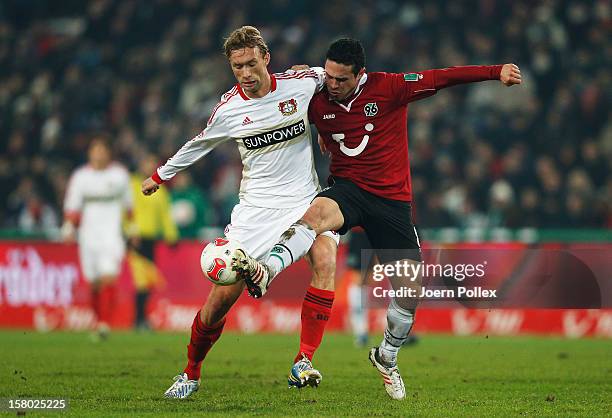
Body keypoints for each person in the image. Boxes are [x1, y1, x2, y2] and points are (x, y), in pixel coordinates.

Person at [232, 38, 521, 400]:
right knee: (316, 215)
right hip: (348, 190)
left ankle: (387, 356)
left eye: (341, 80)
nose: (332, 85)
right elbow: (282, 99)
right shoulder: (316, 95)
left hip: (391, 202)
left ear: (360, 75)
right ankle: (267, 271)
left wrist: (495, 73)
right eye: (330, 76)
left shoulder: (390, 87)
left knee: (410, 291)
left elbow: (442, 77)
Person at [140, 26, 340, 398]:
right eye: (237, 68)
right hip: (256, 211)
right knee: (219, 302)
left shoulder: (300, 82)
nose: (246, 74)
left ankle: (303, 361)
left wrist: (327, 129)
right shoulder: (229, 109)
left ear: (266, 58)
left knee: (326, 260)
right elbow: (199, 144)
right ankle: (190, 372)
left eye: (251, 64)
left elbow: (329, 83)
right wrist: (160, 175)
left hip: (304, 200)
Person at [62, 136, 134, 341]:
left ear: (108, 153)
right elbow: (72, 206)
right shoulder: (81, 177)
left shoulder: (119, 175)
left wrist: (133, 229)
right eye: (95, 150)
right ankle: (98, 321)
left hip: (112, 232)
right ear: (90, 153)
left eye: (102, 150)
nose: (99, 154)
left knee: (108, 276)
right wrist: (68, 228)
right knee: (93, 282)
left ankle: (104, 324)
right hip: (88, 234)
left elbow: (128, 205)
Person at [129, 153, 178, 330]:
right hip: (136, 239)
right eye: (146, 162)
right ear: (140, 164)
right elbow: (126, 211)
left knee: (148, 282)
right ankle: (138, 319)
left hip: (152, 240)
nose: (149, 166)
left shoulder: (160, 189)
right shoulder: (131, 185)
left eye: (152, 163)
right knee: (141, 280)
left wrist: (171, 236)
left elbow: (165, 215)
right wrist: (129, 231)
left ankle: (141, 319)